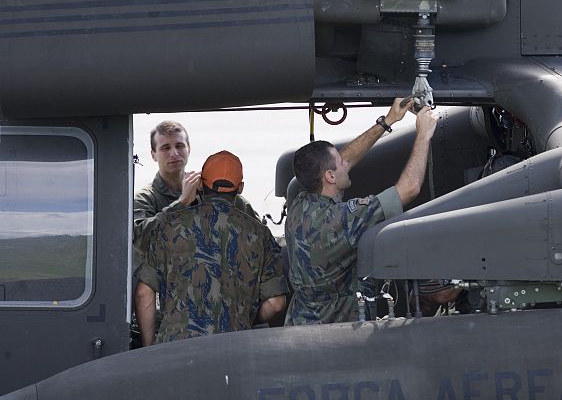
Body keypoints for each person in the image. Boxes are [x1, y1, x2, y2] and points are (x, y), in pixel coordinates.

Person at [285, 98, 438, 325]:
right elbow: (409, 189)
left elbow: (345, 160)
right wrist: (423, 135)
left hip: (301, 325)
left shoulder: (301, 202)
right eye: (339, 161)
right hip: (334, 335)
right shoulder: (341, 219)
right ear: (329, 177)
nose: (345, 162)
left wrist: (388, 121)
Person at [132, 121, 270, 344]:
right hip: (168, 318)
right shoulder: (146, 199)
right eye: (165, 148)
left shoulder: (214, 189)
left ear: (189, 148)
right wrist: (181, 204)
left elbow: (255, 232)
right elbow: (139, 239)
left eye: (179, 146)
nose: (174, 153)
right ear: (153, 154)